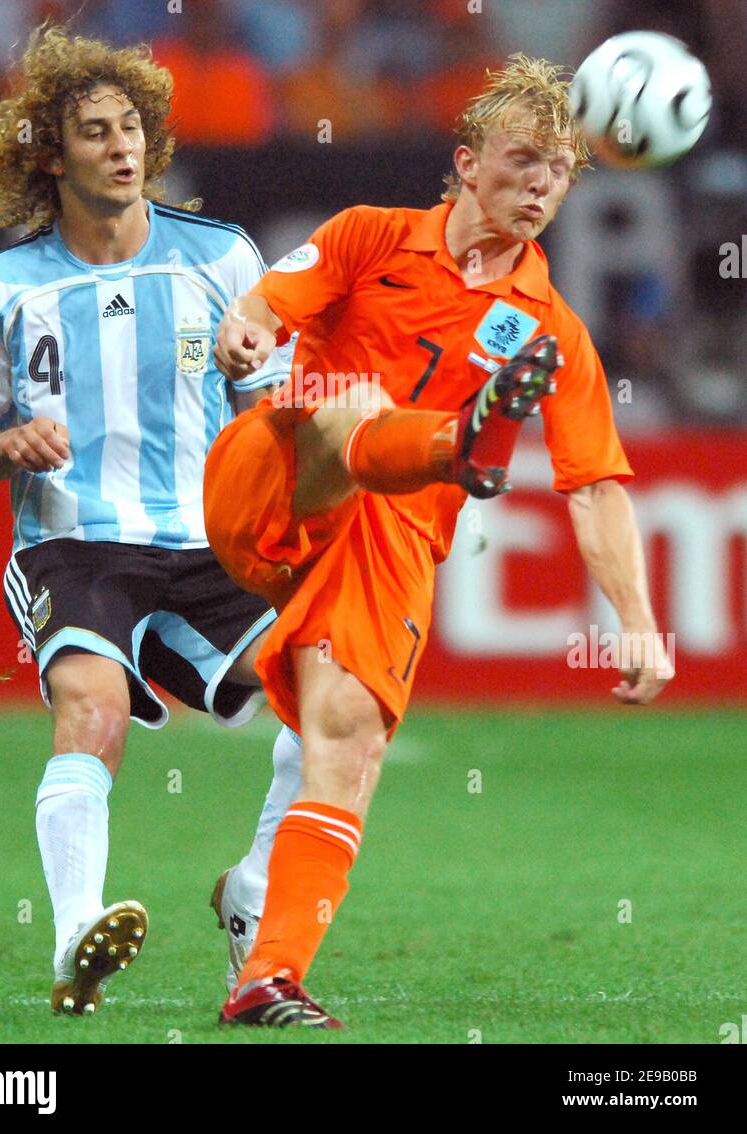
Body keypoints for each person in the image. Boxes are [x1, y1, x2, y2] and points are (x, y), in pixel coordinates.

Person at [205, 54, 675, 1029]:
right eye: (521, 161)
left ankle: (267, 968)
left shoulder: (548, 326)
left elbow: (593, 488)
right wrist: (243, 335)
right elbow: (257, 311)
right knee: (356, 403)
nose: (540, 184)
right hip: (277, 478)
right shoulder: (366, 235)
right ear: (465, 163)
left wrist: (634, 620)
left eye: (558, 170)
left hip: (387, 539)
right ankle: (453, 440)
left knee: (347, 742)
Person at [0, 25, 302, 1017]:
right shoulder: (0, 288)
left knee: (332, 698)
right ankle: (73, 943)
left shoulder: (222, 257)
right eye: (95, 132)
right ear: (51, 156)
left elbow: (269, 417)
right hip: (75, 538)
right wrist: (8, 445)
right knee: (93, 712)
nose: (122, 145)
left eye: (133, 126)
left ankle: (251, 897)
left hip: (206, 539)